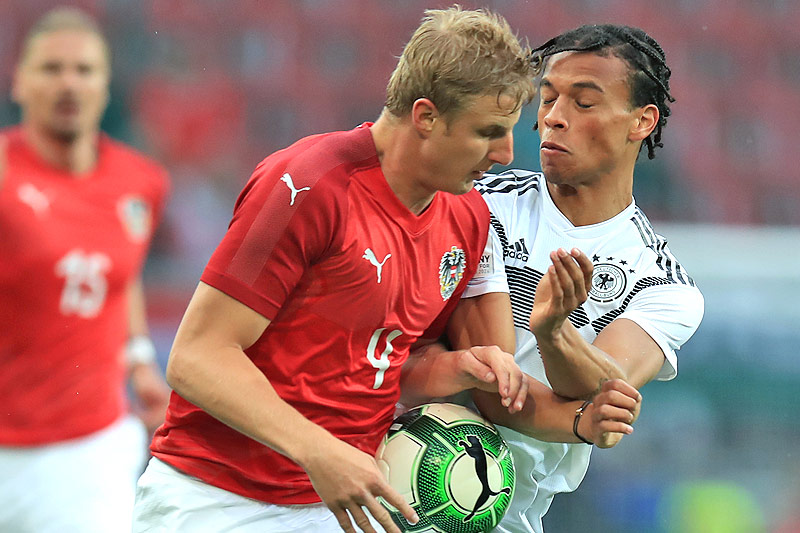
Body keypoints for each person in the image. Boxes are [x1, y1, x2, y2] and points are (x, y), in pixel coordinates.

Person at [132, 6, 536, 533]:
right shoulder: (306, 184)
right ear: (425, 116)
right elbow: (196, 358)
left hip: (343, 508)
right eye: (488, 132)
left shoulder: (467, 219)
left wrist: (458, 368)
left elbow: (384, 364)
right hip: (217, 500)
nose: (506, 154)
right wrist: (318, 451)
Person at [441, 24, 705, 533]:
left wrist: (553, 332)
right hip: (381, 481)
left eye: (583, 103)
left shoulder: (664, 287)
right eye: (548, 98)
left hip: (499, 516)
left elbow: (604, 395)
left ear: (641, 121)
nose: (553, 119)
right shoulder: (477, 202)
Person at [0, 7, 171, 533]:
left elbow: (121, 277)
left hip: (88, 452)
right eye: (51, 69)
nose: (69, 83)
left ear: (105, 85)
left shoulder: (142, 184)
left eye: (84, 69)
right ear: (19, 84)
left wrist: (140, 362)